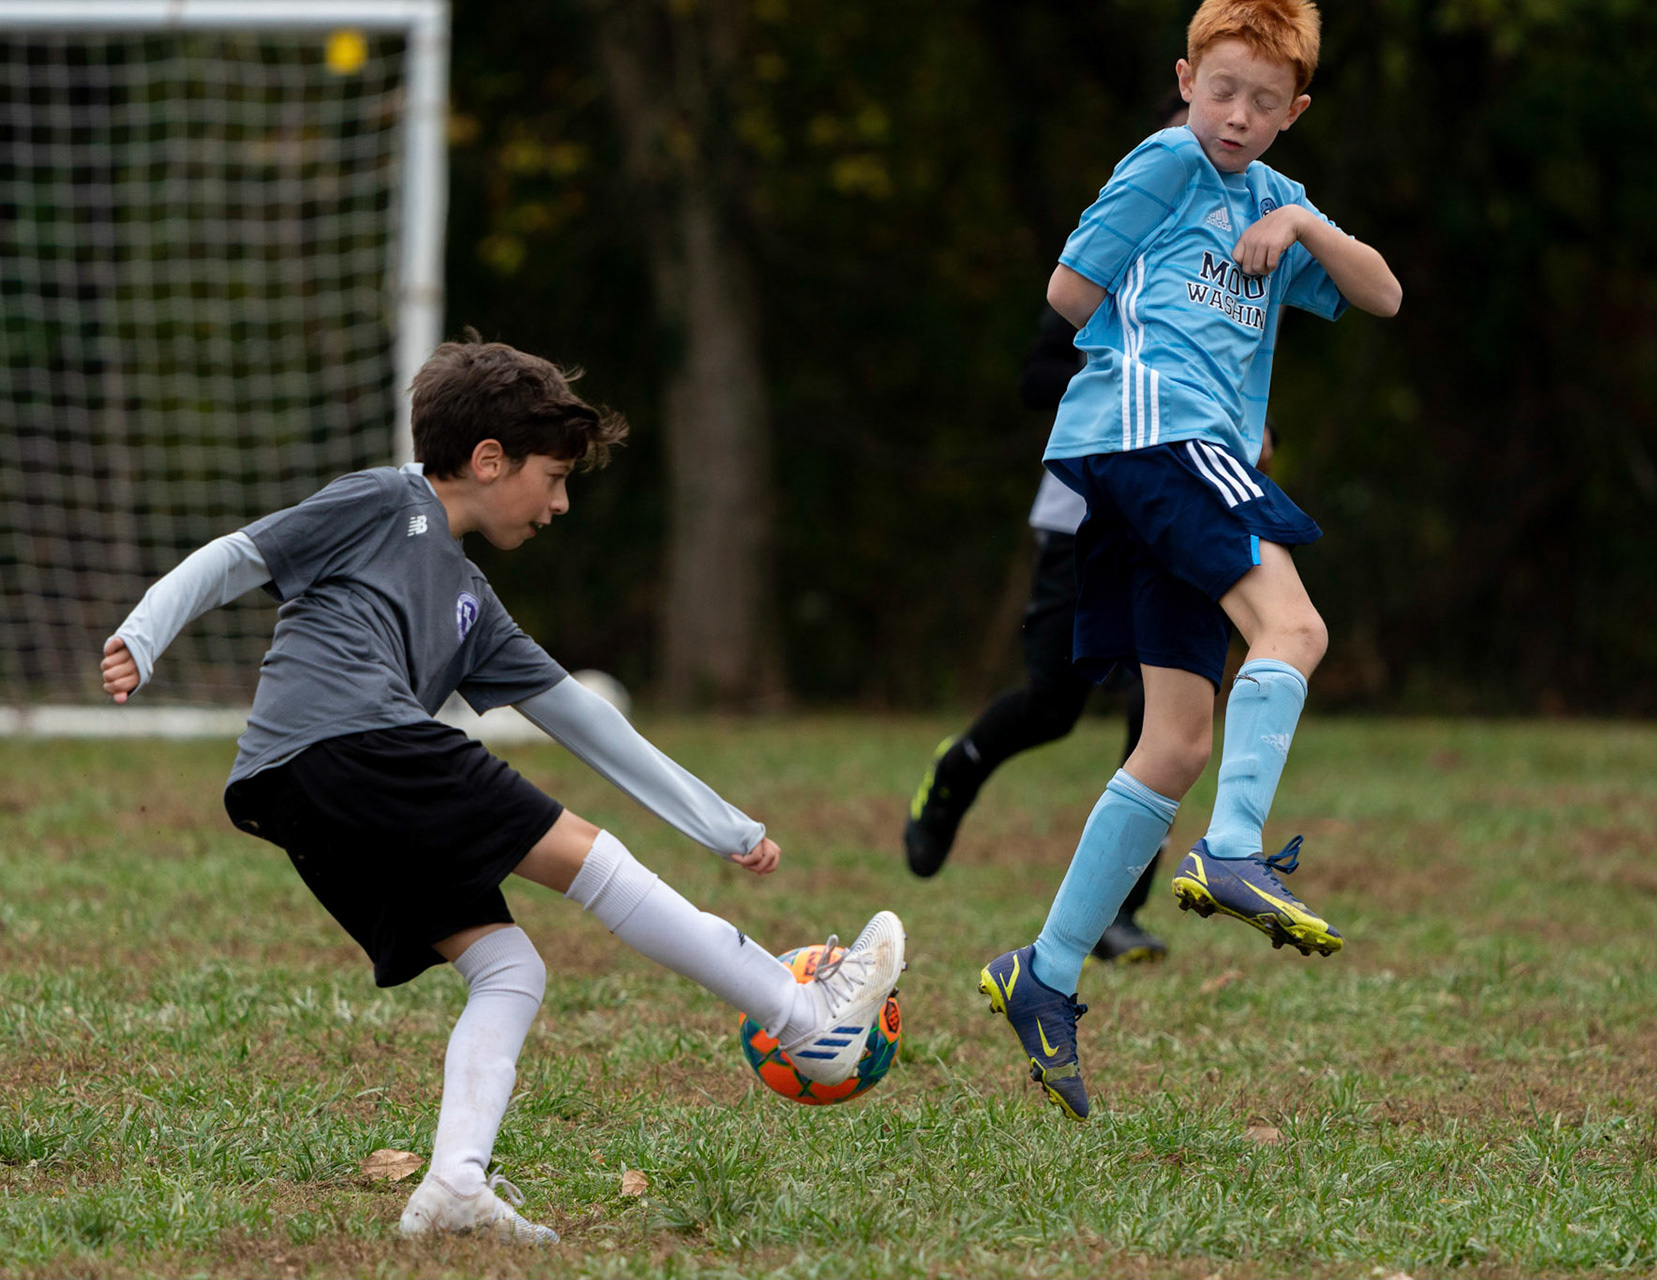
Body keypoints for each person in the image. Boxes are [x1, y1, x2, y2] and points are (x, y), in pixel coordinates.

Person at [99, 337, 907, 1240]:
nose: (561, 504)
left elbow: (590, 723)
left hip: (299, 789)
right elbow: (237, 556)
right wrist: (144, 630)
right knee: (595, 862)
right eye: (554, 478)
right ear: (490, 461)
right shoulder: (383, 500)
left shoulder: (475, 605)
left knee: (509, 966)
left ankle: (454, 1185)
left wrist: (721, 824)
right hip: (358, 744)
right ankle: (803, 1016)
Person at [976, 0, 1400, 1121]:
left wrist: (1299, 229)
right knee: (1295, 628)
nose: (1238, 116)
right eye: (1221, 91)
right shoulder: (1167, 161)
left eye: (1266, 102)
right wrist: (1152, 291)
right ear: (1185, 80)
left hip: (1155, 453)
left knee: (1173, 738)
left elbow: (1384, 293)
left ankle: (1047, 971)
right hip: (1156, 431)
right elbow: (1069, 296)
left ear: (1295, 112)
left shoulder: (1279, 201)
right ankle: (1232, 847)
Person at [904, 303, 1164, 964]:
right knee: (1052, 708)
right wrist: (1129, 379)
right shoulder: (1109, 266)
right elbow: (1037, 379)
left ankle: (1117, 913)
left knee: (1160, 711)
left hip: (1173, 523)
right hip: (1080, 521)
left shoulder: (1229, 274)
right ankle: (953, 776)